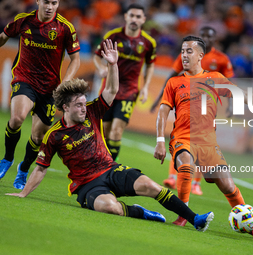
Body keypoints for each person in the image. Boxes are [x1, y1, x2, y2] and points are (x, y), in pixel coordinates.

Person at [6, 39, 214, 232]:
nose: (83, 108)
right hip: (87, 185)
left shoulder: (93, 110)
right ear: (64, 107)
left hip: (110, 169)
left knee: (151, 186)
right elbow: (41, 169)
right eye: (78, 105)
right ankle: (141, 212)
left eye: (83, 103)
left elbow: (112, 90)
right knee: (110, 207)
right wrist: (23, 193)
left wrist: (113, 65)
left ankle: (195, 219)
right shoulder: (54, 135)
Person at [154, 35, 253, 240]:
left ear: (201, 55)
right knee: (186, 164)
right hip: (183, 138)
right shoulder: (174, 82)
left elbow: (244, 96)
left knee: (228, 186)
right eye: (182, 51)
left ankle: (250, 226)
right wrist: (159, 141)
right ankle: (183, 214)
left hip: (209, 143)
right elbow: (162, 113)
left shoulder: (215, 79)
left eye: (189, 51)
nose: (184, 55)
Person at [0, 0, 80, 189]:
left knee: (38, 137)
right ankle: (7, 159)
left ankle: (23, 168)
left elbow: (75, 59)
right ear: (38, 1)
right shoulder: (23, 20)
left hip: (50, 88)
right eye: (46, 2)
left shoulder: (65, 28)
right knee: (18, 117)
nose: (49, 6)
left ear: (58, 3)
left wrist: (65, 83)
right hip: (24, 78)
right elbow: (4, 35)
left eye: (54, 2)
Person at [151, 26, 234, 196]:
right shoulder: (189, 54)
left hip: (207, 101)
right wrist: (160, 97)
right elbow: (172, 75)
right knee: (183, 138)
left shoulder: (221, 60)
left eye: (208, 35)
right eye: (203, 34)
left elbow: (231, 84)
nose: (185, 55)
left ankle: (196, 183)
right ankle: (174, 179)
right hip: (187, 97)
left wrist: (232, 104)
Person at [93, 3, 156, 161]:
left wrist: (146, 87)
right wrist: (101, 68)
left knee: (116, 130)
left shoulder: (148, 43)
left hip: (129, 90)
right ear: (126, 17)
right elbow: (97, 55)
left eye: (138, 16)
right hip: (109, 89)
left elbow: (150, 65)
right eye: (132, 15)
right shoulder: (113, 36)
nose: (134, 19)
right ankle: (101, 162)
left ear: (143, 19)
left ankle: (109, 168)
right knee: (105, 132)